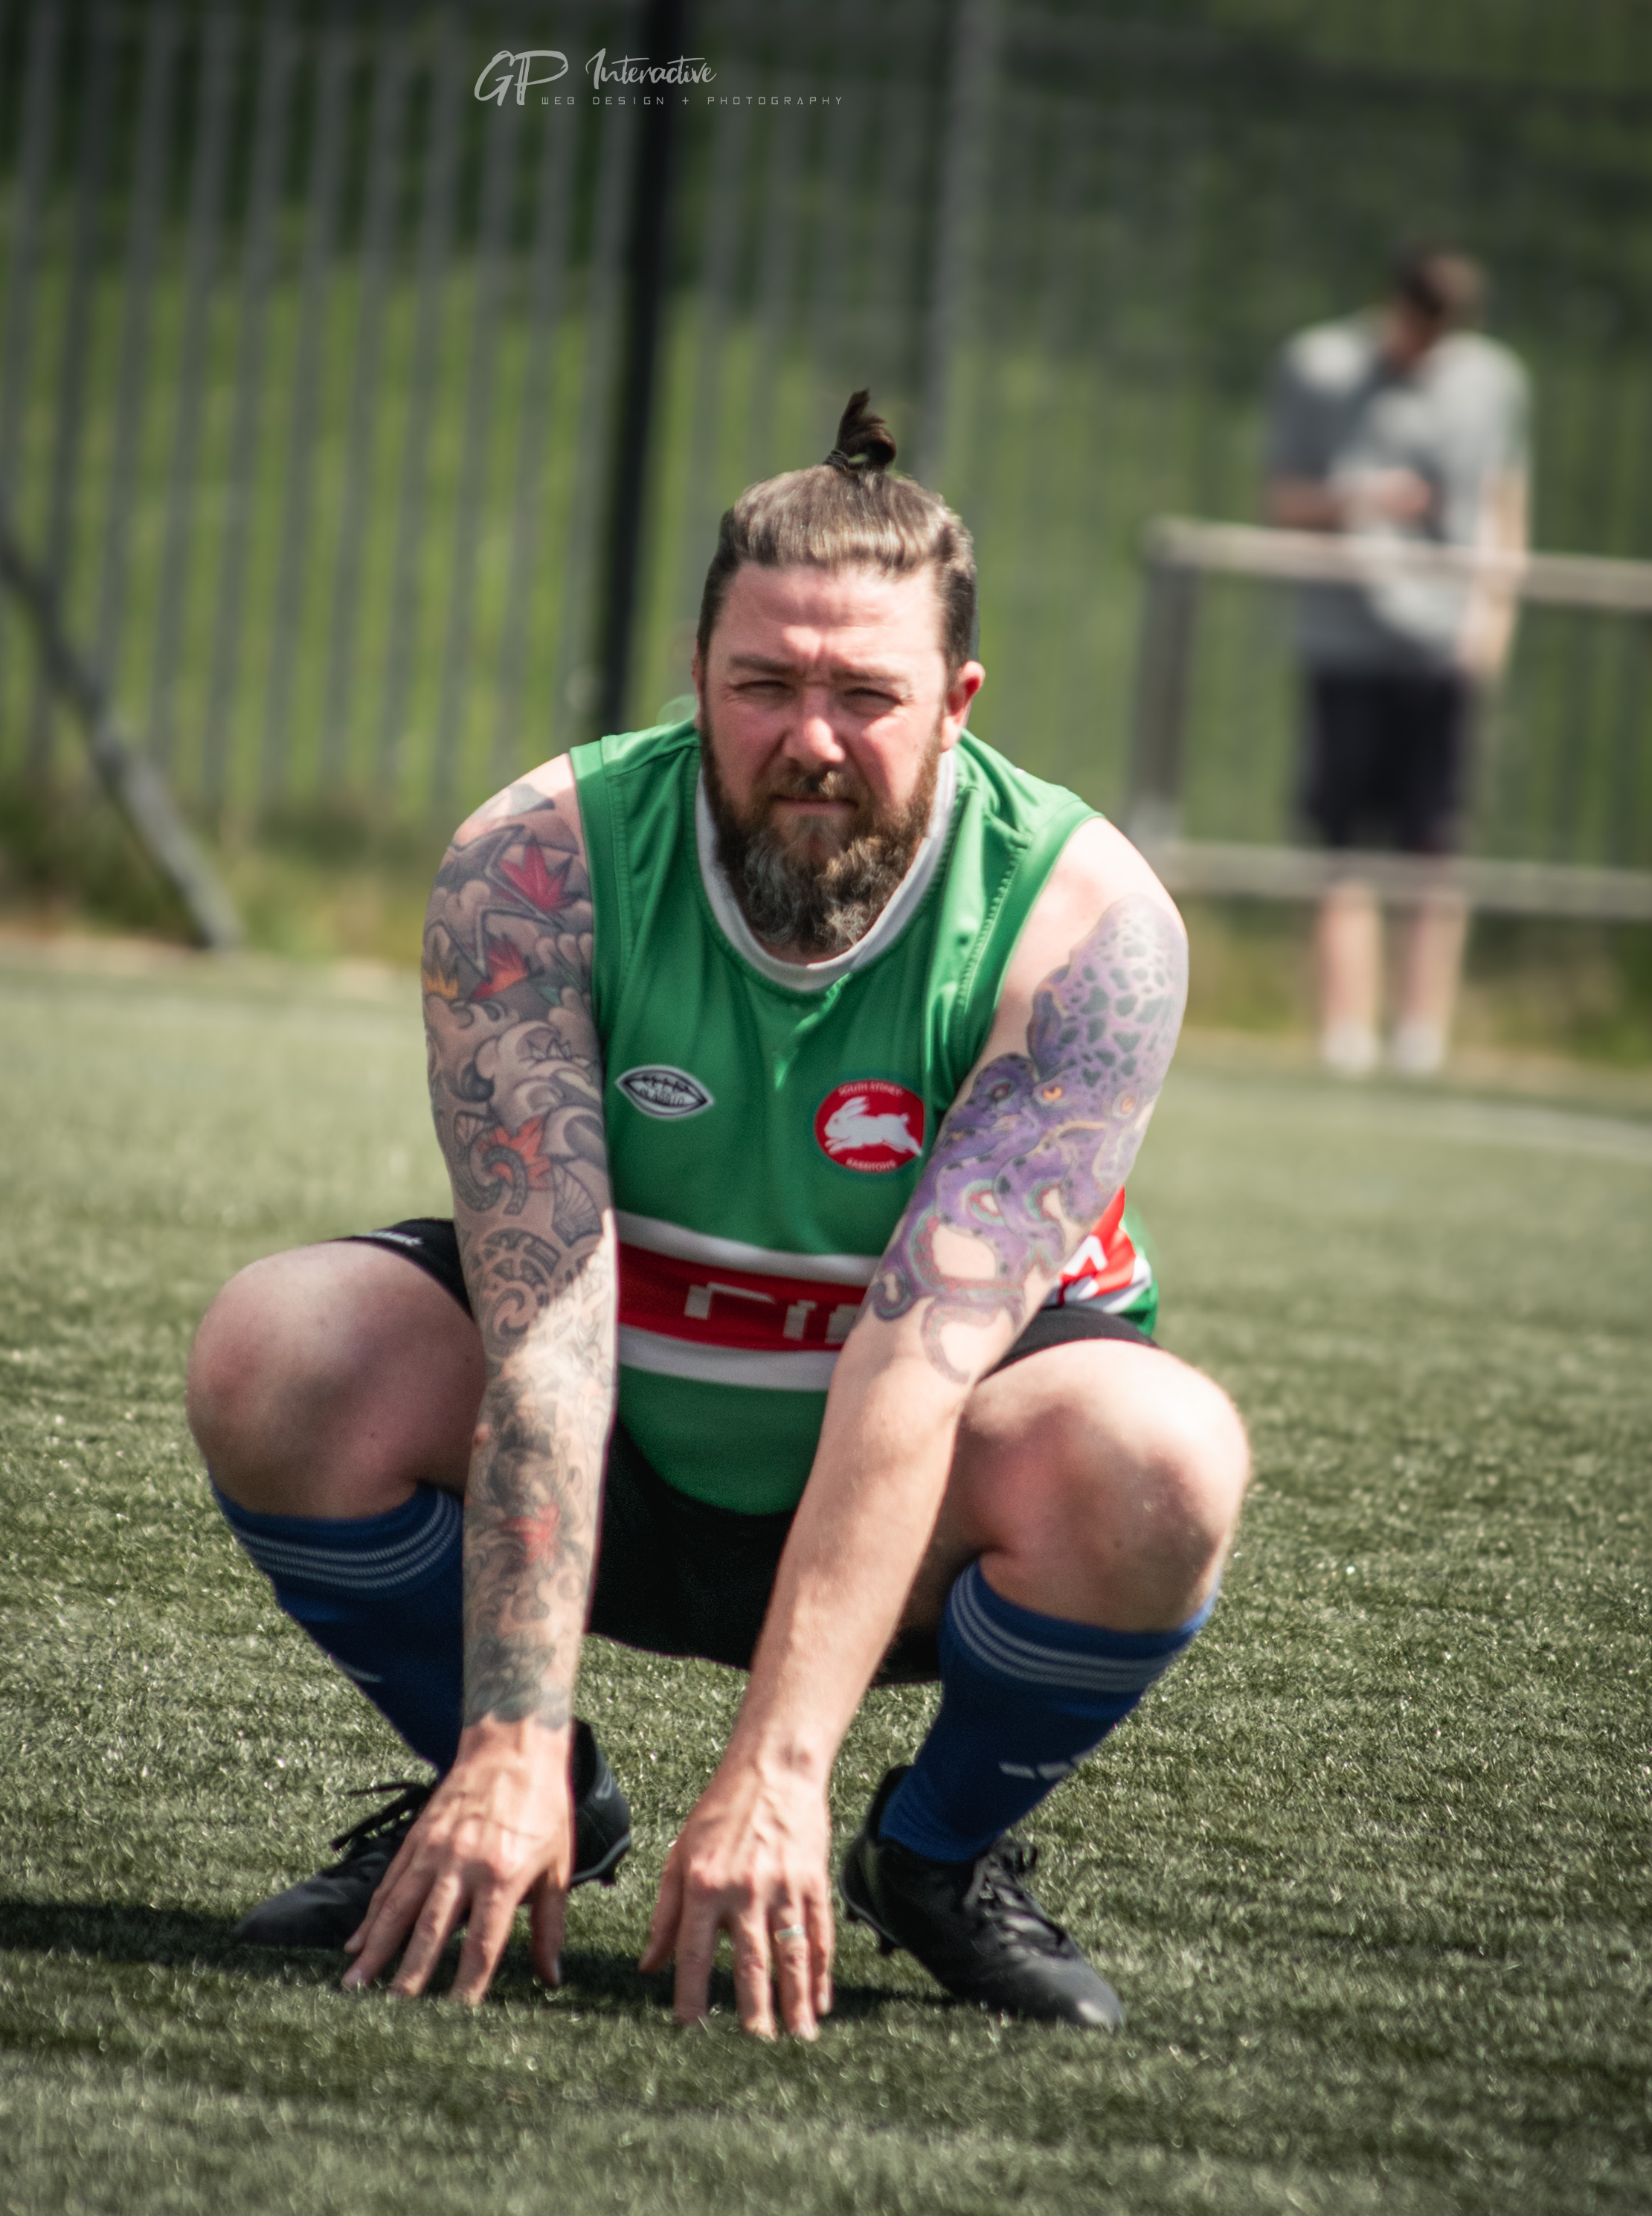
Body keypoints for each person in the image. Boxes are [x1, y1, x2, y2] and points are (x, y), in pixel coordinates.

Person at [187, 394, 1250, 2040]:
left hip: (911, 1512)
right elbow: (544, 1328)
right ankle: (547, 1795)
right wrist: (511, 1736)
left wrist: (778, 1777)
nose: (808, 739)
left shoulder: (1087, 924)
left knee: (1161, 1459)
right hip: (608, 1453)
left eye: (863, 696)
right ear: (697, 675)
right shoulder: (534, 861)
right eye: (761, 687)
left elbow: (910, 1376)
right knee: (281, 1350)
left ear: (958, 707)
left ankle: (933, 1854)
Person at [1267, 244, 1530, 1079]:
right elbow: (1282, 498)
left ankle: (1422, 1042)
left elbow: (1504, 499)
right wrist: (1363, 500)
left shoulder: (1494, 380)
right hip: (1347, 641)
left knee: (1435, 843)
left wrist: (1494, 620)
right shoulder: (1319, 367)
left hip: (1443, 644)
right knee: (1343, 842)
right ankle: (1347, 1037)